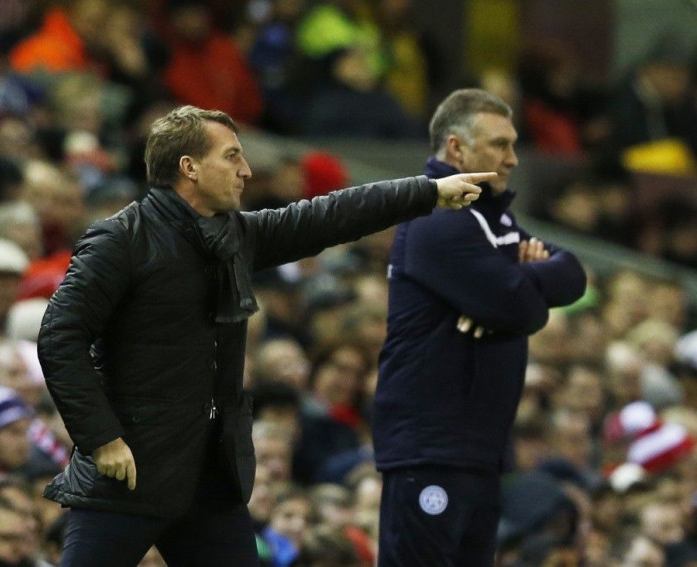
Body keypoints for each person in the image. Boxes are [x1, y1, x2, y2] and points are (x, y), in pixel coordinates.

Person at [36, 104, 494, 566]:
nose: (246, 170)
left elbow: (329, 215)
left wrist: (427, 192)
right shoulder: (121, 240)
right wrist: (103, 438)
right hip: (130, 474)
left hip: (209, 481)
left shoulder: (234, 234)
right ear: (189, 168)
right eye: (232, 156)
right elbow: (59, 336)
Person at [372, 88, 587, 566]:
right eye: (498, 145)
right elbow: (520, 309)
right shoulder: (435, 216)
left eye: (513, 144)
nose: (512, 159)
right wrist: (520, 289)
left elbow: (573, 272)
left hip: (479, 451)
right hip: (431, 448)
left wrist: (514, 279)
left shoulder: (495, 219)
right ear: (456, 148)